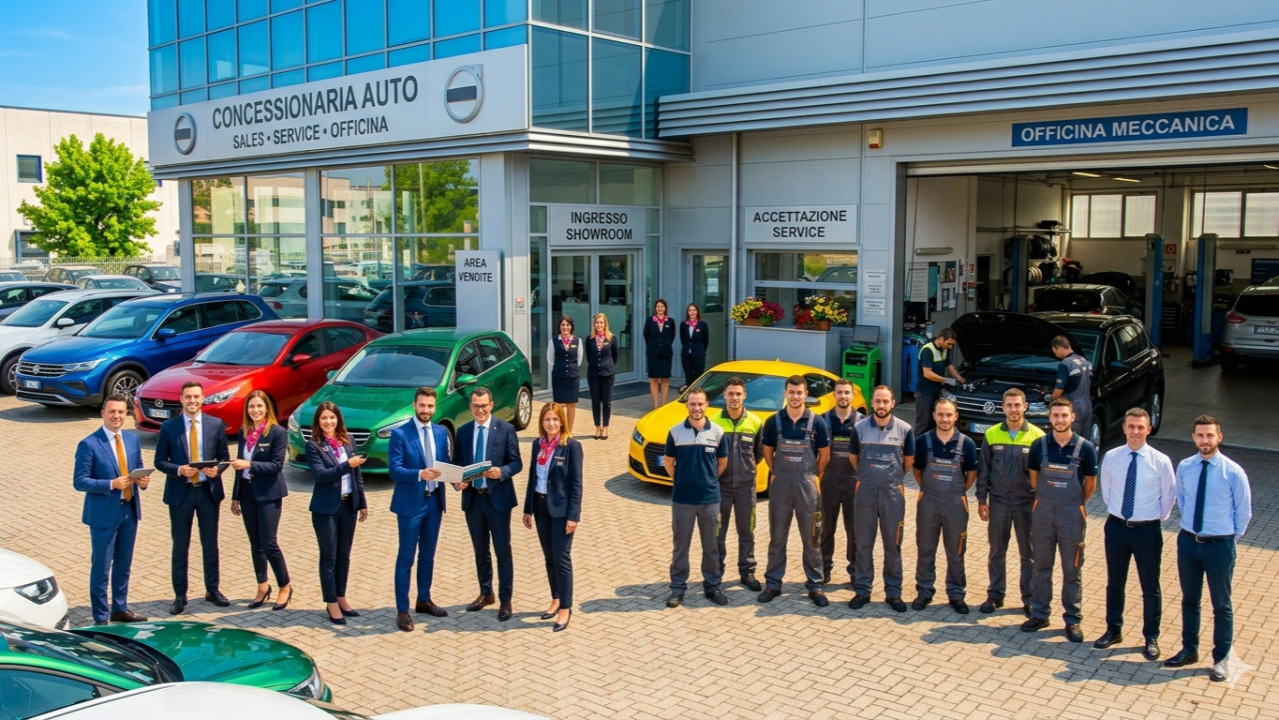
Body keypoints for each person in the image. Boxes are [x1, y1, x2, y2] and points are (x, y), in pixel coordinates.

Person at [1165, 415, 1252, 682]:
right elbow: (1182, 500)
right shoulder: (1185, 467)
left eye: (1210, 435)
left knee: (1221, 605)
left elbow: (1244, 513)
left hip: (1219, 546)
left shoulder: (1233, 471)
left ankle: (1221, 659)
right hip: (1188, 543)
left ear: (1219, 437)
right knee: (1189, 600)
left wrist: (1227, 542)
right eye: (1200, 435)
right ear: (1194, 437)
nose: (1205, 440)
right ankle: (1189, 649)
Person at [1094, 408, 1176, 660]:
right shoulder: (1112, 457)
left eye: (1141, 427)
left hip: (1147, 531)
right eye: (1131, 426)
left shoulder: (1161, 461)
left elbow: (1168, 497)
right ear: (1124, 428)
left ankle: (1151, 637)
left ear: (1148, 429)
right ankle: (1113, 630)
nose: (1136, 432)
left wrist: (1149, 518)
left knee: (1150, 586)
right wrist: (1122, 515)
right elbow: (1107, 492)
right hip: (1117, 527)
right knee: (1115, 582)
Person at [1022, 398, 1099, 642]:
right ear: (1050, 418)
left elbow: (1090, 484)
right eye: (1055, 415)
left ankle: (1073, 619)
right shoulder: (1039, 446)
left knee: (1072, 569)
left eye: (1064, 415)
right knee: (1041, 566)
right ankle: (1040, 614)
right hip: (1044, 513)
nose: (1060, 419)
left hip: (1072, 516)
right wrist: (1047, 499)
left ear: (1072, 417)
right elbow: (1034, 478)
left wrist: (1074, 503)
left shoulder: (1085, 448)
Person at [153, 381, 230, 615]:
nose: (192, 401)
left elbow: (224, 458)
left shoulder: (215, 424)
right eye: (188, 397)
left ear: (203, 398)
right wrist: (178, 470)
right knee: (180, 546)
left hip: (208, 492)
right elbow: (159, 461)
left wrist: (217, 470)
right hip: (181, 493)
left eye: (196, 396)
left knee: (210, 544)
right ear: (181, 399)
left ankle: (213, 589)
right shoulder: (169, 427)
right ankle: (180, 595)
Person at [73, 394, 150, 624]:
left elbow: (138, 467)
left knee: (123, 564)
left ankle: (120, 608)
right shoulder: (89, 444)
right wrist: (110, 484)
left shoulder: (132, 439)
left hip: (129, 511)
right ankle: (100, 617)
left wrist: (143, 481)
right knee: (101, 567)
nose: (117, 416)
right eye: (112, 411)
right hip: (103, 515)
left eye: (121, 412)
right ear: (103, 413)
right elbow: (80, 481)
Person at [759, 375, 831, 606]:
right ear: (785, 393)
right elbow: (767, 449)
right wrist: (775, 470)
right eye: (791, 392)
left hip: (807, 486)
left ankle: (815, 585)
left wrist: (813, 474)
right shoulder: (773, 421)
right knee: (777, 537)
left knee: (812, 539)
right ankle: (773, 583)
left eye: (799, 392)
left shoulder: (817, 422)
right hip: (781, 486)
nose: (795, 396)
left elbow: (825, 454)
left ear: (805, 394)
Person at [454, 386, 524, 621]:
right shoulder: (463, 431)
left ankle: (505, 599)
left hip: (498, 501)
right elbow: (457, 463)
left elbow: (516, 463)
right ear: (470, 406)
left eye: (483, 405)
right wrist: (458, 481)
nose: (480, 410)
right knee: (480, 550)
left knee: (502, 551)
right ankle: (486, 593)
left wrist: (502, 471)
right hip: (474, 500)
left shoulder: (505, 429)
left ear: (491, 405)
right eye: (475, 406)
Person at [975, 388, 1045, 616]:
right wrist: (981, 499)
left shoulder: (1038, 436)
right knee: (997, 551)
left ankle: (1030, 599)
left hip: (1027, 504)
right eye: (1009, 405)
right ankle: (995, 595)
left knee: (1029, 553)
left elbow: (1042, 474)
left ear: (1025, 406)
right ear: (1003, 407)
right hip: (999, 502)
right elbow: (983, 470)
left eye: (1017, 405)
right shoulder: (992, 434)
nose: (1013, 409)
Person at [387, 387, 452, 632]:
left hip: (434, 502)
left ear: (435, 407)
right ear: (414, 405)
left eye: (430, 406)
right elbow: (394, 470)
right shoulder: (400, 434)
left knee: (428, 555)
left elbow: (445, 465)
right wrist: (419, 474)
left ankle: (424, 599)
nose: (426, 410)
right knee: (406, 558)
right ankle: (402, 610)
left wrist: (456, 480)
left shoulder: (440, 432)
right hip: (410, 505)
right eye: (422, 405)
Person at [849, 386, 915, 612]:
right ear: (872, 402)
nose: (881, 405)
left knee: (893, 545)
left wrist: (893, 479)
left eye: (885, 401)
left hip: (892, 494)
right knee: (863, 544)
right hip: (865, 493)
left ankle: (893, 593)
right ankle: (862, 590)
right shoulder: (859, 428)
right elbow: (853, 457)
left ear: (893, 403)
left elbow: (909, 460)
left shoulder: (905, 429)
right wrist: (867, 477)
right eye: (877, 401)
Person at [911, 398, 978, 613]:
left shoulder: (967, 444)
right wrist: (929, 489)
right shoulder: (922, 441)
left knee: (956, 551)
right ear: (934, 416)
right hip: (928, 502)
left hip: (955, 504)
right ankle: (924, 591)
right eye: (940, 414)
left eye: (949, 415)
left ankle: (956, 594)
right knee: (925, 549)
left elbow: (972, 473)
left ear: (956, 417)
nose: (945, 419)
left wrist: (956, 492)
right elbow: (916, 470)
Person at [304, 401, 369, 625]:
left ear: (338, 419)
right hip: (325, 509)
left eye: (332, 418)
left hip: (348, 504)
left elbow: (357, 474)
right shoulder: (313, 446)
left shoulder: (348, 440)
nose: (328, 422)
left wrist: (362, 502)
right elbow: (322, 475)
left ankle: (341, 596)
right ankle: (331, 602)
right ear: (318, 421)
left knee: (344, 555)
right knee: (329, 557)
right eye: (324, 418)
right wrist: (347, 464)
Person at [663, 387, 728, 608]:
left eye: (700, 404)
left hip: (710, 499)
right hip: (683, 500)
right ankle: (677, 589)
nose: (696, 408)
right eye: (692, 404)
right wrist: (682, 480)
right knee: (680, 547)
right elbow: (669, 462)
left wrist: (709, 480)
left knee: (711, 546)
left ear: (707, 405)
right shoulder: (675, 432)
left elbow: (722, 462)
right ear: (687, 405)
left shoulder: (718, 432)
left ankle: (712, 587)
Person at [229, 391, 293, 612]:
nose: (255, 410)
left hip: (269, 494)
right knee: (255, 544)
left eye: (259, 406)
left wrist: (249, 465)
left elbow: (276, 465)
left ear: (267, 409)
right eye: (251, 407)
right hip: (247, 492)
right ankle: (262, 586)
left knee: (269, 543)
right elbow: (238, 468)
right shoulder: (244, 432)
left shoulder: (277, 432)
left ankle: (285, 586)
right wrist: (235, 496)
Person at [523, 402, 583, 632]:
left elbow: (576, 484)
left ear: (562, 422)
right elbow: (532, 477)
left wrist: (573, 516)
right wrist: (528, 509)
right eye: (547, 419)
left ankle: (566, 607)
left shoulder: (571, 447)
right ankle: (556, 598)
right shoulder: (537, 444)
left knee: (561, 558)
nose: (551, 423)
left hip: (561, 511)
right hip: (540, 507)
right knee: (549, 557)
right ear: (542, 422)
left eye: (555, 419)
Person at [711, 376, 764, 592]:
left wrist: (745, 470)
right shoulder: (713, 423)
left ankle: (747, 572)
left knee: (747, 531)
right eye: (731, 393)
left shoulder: (755, 422)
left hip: (746, 488)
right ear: (724, 395)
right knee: (717, 532)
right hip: (720, 488)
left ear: (745, 396)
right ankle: (715, 573)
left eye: (738, 394)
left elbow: (758, 453)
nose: (734, 398)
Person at [821, 379, 862, 587]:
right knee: (825, 528)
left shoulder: (863, 423)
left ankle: (855, 571)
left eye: (847, 392)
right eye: (839, 392)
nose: (843, 396)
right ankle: (823, 569)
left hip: (853, 481)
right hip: (828, 481)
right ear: (834, 395)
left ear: (852, 395)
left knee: (854, 530)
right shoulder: (822, 420)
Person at [914, 328, 964, 435]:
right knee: (923, 424)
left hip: (937, 392)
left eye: (952, 344)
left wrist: (958, 377)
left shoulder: (944, 349)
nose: (950, 347)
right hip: (925, 393)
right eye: (949, 344)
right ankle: (917, 445)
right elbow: (927, 373)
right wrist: (946, 380)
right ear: (941, 339)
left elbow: (949, 365)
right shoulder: (928, 350)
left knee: (935, 424)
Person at [1050, 335, 1093, 437]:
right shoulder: (1085, 361)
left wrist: (1051, 399)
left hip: (1074, 405)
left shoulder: (1065, 363)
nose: (1056, 356)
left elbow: (1059, 390)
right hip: (1087, 404)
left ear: (1060, 348)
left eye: (1055, 352)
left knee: (1071, 438)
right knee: (1084, 439)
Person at [586, 313, 619, 440]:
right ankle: (597, 427)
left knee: (607, 402)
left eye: (601, 322)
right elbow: (589, 356)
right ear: (594, 324)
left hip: (608, 374)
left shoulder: (612, 338)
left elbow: (615, 356)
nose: (599, 325)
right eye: (597, 322)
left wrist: (607, 366)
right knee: (595, 402)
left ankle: (605, 427)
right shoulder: (590, 339)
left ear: (605, 324)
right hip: (593, 374)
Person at [549, 316, 584, 433]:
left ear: (571, 327)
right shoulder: (554, 340)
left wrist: (570, 368)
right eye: (563, 325)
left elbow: (579, 359)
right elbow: (550, 359)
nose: (565, 327)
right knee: (558, 406)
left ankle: (569, 432)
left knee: (571, 405)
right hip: (558, 377)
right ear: (559, 327)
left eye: (567, 325)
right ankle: (558, 431)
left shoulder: (577, 341)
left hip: (573, 377)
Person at [644, 298, 676, 410]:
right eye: (658, 306)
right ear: (655, 308)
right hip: (653, 353)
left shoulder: (670, 321)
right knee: (654, 378)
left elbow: (672, 336)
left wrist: (664, 345)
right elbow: (646, 335)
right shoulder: (650, 320)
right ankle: (655, 405)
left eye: (662, 306)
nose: (660, 308)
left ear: (665, 308)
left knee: (665, 379)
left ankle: (663, 404)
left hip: (666, 353)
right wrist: (654, 345)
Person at [679, 303, 709, 391]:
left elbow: (705, 340)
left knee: (698, 378)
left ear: (697, 312)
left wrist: (700, 350)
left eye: (694, 310)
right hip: (686, 355)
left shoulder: (703, 324)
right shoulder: (683, 324)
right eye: (690, 310)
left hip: (699, 355)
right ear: (687, 312)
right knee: (688, 378)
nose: (692, 312)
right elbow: (683, 339)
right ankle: (689, 395)